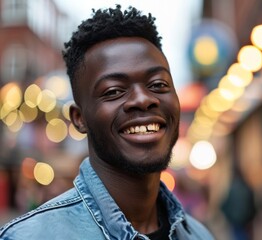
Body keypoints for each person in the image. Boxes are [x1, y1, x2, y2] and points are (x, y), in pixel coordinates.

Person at [0, 5, 214, 240]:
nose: (143, 99)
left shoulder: (199, 235)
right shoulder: (29, 237)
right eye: (113, 91)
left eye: (158, 85)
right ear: (79, 119)